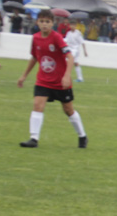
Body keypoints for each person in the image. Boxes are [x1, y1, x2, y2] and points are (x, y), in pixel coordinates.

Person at [16, 9, 87, 149]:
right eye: (42, 21)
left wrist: (67, 76)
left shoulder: (56, 38)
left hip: (60, 82)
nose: (44, 24)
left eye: (47, 22)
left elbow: (70, 57)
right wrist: (24, 75)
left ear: (52, 23)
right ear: (37, 22)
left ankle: (82, 135)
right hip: (43, 80)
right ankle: (33, 138)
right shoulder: (35, 38)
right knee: (37, 105)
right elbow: (35, 57)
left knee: (68, 110)